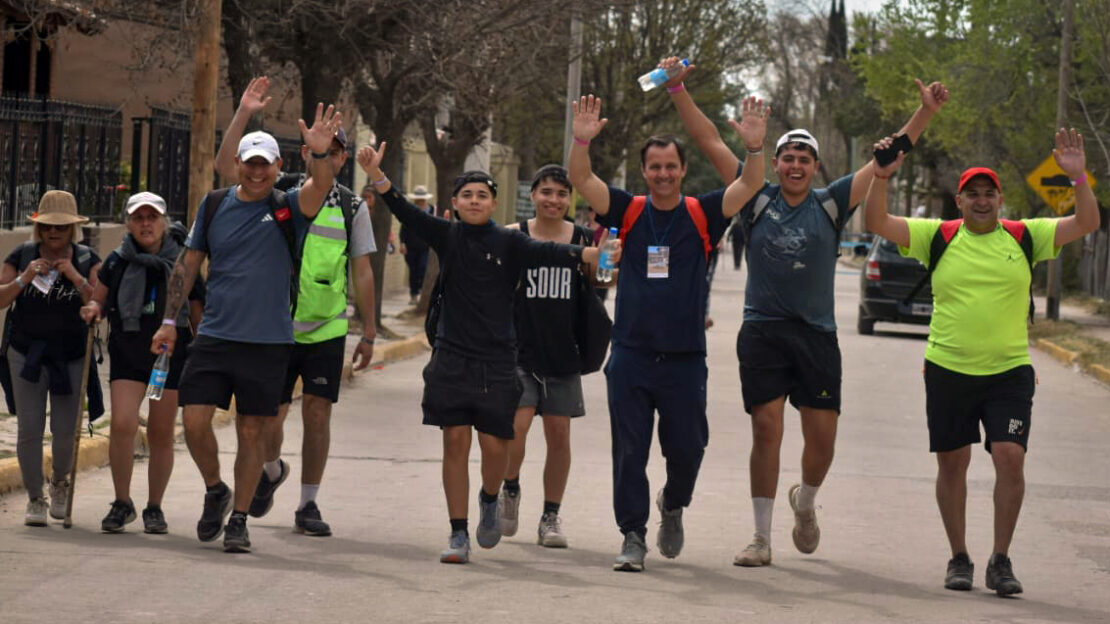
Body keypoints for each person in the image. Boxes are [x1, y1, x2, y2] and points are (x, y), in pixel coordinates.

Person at [660, 56, 949, 566]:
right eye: (787, 157)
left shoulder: (834, 203)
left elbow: (886, 156)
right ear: (775, 164)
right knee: (766, 429)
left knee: (822, 439)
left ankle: (806, 500)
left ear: (816, 167)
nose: (795, 166)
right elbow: (709, 142)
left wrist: (923, 114)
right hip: (763, 331)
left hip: (816, 335)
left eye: (804, 159)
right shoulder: (753, 196)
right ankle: (760, 537)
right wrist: (678, 89)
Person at [864, 128, 1099, 595]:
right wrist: (881, 174)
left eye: (989, 193)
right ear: (959, 201)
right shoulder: (939, 236)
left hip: (1009, 371)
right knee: (953, 463)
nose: (981, 201)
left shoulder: (1025, 236)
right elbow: (876, 221)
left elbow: (1086, 223)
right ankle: (959, 557)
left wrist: (1078, 179)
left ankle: (1000, 559)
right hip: (948, 368)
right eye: (972, 194)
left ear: (1000, 199)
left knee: (1010, 458)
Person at [356, 143, 616, 564]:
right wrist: (379, 176)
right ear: (455, 204)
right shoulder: (448, 235)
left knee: (497, 448)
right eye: (466, 195)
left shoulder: (510, 241)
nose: (474, 201)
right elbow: (405, 212)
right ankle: (458, 533)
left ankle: (491, 497)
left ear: (494, 203)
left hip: (498, 362)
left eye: (482, 195)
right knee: (455, 442)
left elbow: (550, 251)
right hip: (451, 357)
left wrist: (589, 253)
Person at [568, 94, 769, 572]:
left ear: (682, 170)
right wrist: (581, 140)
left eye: (670, 166)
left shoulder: (703, 212)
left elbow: (751, 185)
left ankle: (673, 504)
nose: (663, 174)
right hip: (632, 356)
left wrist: (756, 148)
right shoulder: (629, 210)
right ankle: (632, 536)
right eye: (654, 166)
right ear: (644, 171)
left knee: (688, 449)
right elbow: (582, 179)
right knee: (630, 451)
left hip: (683, 360)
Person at [151, 102, 341, 553]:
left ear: (278, 167)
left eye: (265, 165)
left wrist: (318, 154)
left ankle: (239, 519)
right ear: (237, 165)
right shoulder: (215, 204)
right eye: (249, 164)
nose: (257, 173)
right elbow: (189, 262)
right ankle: (216, 490)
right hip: (216, 335)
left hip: (269, 342)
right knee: (194, 420)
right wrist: (169, 321)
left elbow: (321, 186)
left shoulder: (289, 207)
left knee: (252, 431)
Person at [214, 77, 377, 538]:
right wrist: (244, 112)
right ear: (304, 152)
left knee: (318, 415)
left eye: (336, 149)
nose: (328, 154)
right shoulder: (279, 194)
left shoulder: (351, 207)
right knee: (268, 419)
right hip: (276, 327)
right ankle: (269, 471)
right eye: (318, 147)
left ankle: (308, 503)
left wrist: (367, 332)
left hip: (325, 327)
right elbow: (227, 167)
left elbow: (362, 271)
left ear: (342, 158)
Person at [79, 192, 204, 533]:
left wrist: (203, 347)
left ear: (164, 221)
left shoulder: (183, 260)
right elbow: (98, 300)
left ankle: (154, 507)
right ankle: (122, 502)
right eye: (138, 218)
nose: (146, 224)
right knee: (122, 424)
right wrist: (92, 309)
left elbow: (197, 309)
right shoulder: (118, 261)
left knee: (162, 432)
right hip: (128, 353)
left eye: (152, 218)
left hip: (168, 359)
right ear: (129, 223)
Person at [496, 164, 599, 549]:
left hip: (563, 355)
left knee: (559, 435)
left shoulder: (586, 237)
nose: (553, 200)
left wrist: (608, 260)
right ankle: (510, 489)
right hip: (518, 353)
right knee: (515, 428)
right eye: (546, 192)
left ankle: (550, 516)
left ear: (569, 199)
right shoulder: (513, 236)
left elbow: (603, 282)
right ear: (533, 195)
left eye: (561, 193)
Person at [0, 191, 100, 526]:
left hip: (69, 355)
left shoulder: (87, 259)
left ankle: (59, 483)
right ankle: (34, 498)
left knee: (64, 430)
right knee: (29, 428)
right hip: (25, 354)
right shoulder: (23, 254)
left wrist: (75, 277)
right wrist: (23, 278)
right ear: (38, 229)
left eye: (60, 227)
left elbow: (100, 303)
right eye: (47, 227)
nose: (53, 233)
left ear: (73, 229)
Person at [401, 185, 435, 304]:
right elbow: (404, 228)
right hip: (411, 246)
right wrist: (402, 243)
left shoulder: (432, 211)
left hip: (426, 246)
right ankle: (414, 294)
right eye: (418, 199)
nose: (420, 202)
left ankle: (421, 289)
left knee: (423, 267)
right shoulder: (409, 211)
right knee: (413, 271)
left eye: (422, 199)